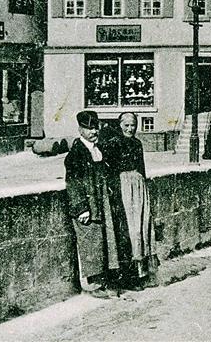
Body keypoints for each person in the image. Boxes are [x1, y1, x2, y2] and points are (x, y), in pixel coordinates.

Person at [64, 110, 123, 296]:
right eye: (89, 128)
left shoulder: (98, 149)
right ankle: (93, 284)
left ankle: (103, 280)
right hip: (88, 206)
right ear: (80, 129)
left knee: (103, 241)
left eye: (95, 127)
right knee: (90, 242)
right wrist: (81, 208)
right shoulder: (76, 154)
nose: (93, 131)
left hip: (101, 202)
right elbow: (73, 183)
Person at [101, 111, 157, 289]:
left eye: (133, 125)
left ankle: (141, 273)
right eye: (126, 125)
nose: (130, 129)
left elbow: (142, 167)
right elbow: (109, 171)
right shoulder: (114, 143)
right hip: (124, 189)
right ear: (120, 125)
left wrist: (145, 188)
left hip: (139, 188)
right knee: (130, 231)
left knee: (142, 227)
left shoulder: (137, 143)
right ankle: (128, 276)